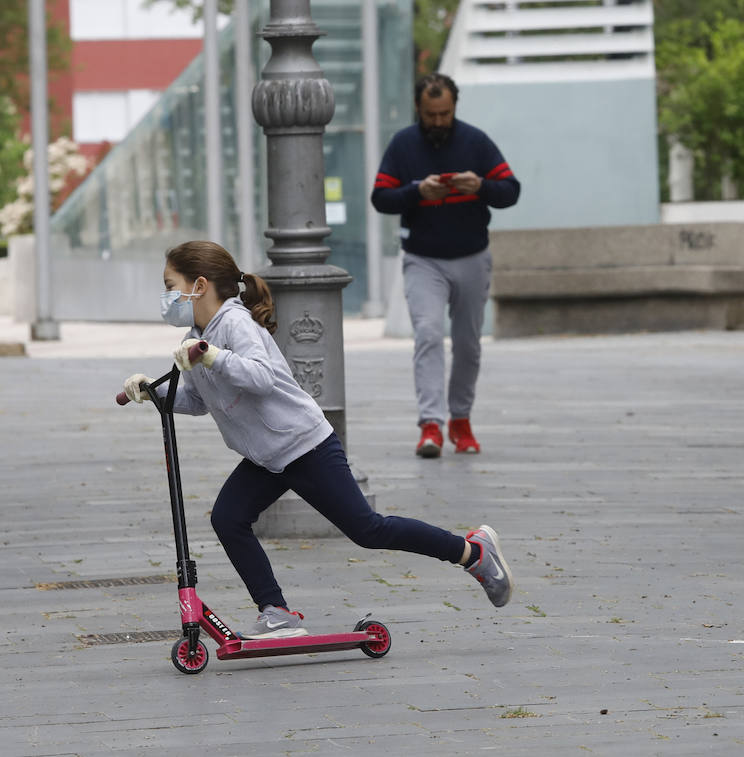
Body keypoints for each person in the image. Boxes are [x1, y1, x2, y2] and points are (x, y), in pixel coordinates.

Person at [120, 241, 514, 638]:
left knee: (369, 531)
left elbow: (260, 377)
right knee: (229, 517)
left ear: (199, 285)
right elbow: (200, 399)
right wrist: (153, 394)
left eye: (171, 285)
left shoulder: (235, 324)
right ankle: (276, 612)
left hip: (304, 444)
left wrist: (210, 356)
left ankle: (473, 552)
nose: (167, 297)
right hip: (267, 456)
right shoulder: (197, 335)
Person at [371, 73, 520, 457]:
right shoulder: (404, 144)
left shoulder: (476, 141)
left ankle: (461, 420)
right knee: (429, 334)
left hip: (472, 256)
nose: (438, 121)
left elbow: (510, 191)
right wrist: (417, 191)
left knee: (469, 344)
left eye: (445, 113)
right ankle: (431, 425)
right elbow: (381, 198)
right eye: (430, 114)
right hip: (424, 259)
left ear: (455, 107)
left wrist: (481, 186)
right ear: (418, 110)